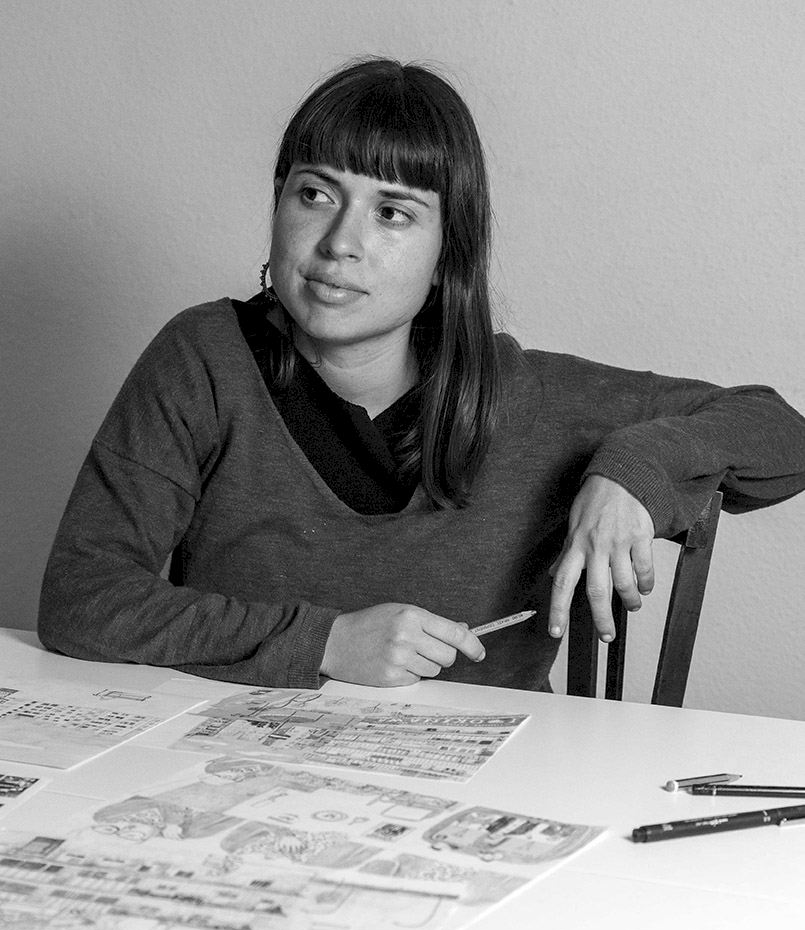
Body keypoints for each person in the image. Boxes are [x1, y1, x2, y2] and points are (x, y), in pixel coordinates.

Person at [38, 57, 805, 693]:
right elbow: (81, 597)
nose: (339, 242)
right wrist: (325, 642)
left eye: (392, 213)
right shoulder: (203, 358)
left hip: (494, 792)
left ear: (446, 256)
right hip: (231, 778)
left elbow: (781, 433)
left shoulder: (527, 396)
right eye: (315, 194)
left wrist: (634, 469)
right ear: (277, 207)